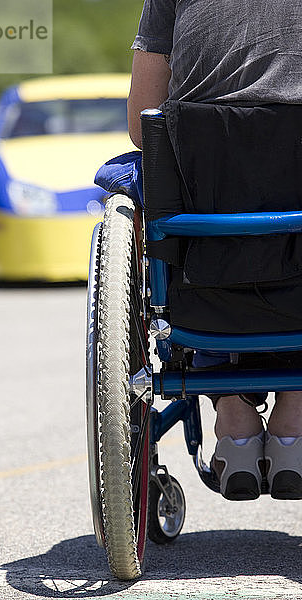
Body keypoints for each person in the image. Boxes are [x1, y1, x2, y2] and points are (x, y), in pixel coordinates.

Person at [127, 0, 302, 499]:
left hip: (204, 276)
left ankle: (234, 422)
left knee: (189, 205)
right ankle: (294, 421)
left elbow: (143, 126)